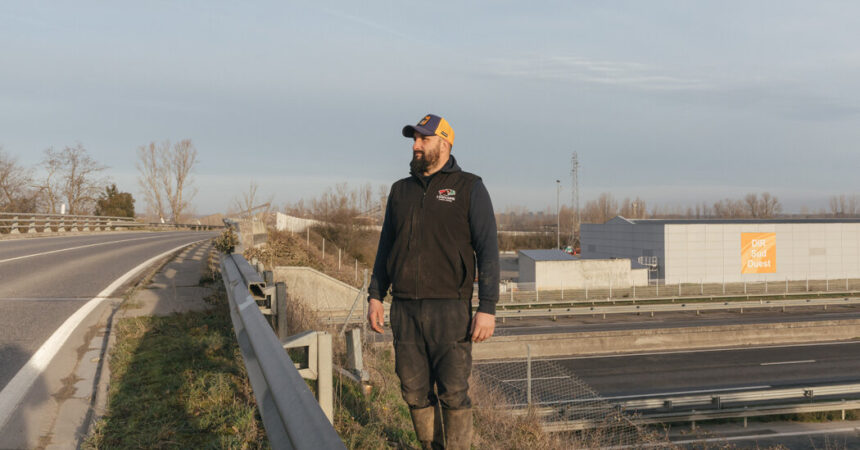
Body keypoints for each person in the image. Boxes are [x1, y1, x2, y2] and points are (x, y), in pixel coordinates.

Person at [367, 114, 499, 449]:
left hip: (450, 310)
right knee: (412, 390)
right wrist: (375, 295)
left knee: (453, 391)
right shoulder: (400, 191)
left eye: (423, 139)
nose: (416, 146)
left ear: (444, 142)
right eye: (414, 140)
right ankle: (429, 446)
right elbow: (386, 247)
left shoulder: (469, 187)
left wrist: (487, 307)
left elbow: (488, 249)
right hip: (405, 309)